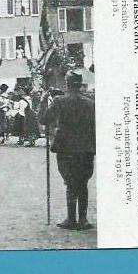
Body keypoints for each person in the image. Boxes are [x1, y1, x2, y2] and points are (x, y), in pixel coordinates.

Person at [40, 70, 96, 231]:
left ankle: (71, 219)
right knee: (83, 183)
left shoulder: (59, 101)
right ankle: (83, 219)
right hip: (86, 148)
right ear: (80, 85)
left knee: (71, 183)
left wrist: (43, 101)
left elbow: (44, 119)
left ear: (67, 84)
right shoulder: (90, 103)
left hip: (66, 148)